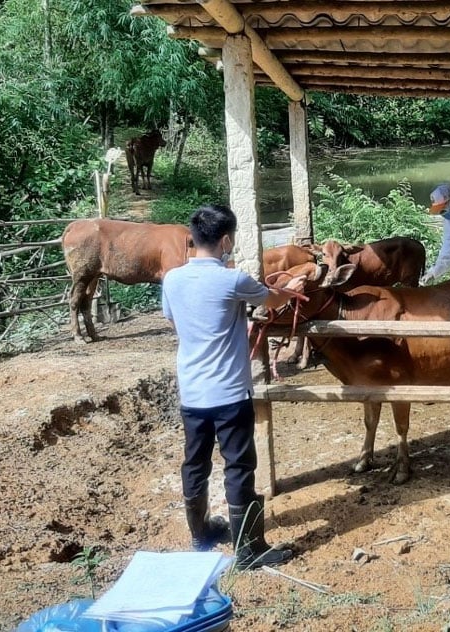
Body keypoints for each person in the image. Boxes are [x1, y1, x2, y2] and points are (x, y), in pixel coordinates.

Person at [161, 203, 305, 569]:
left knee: (195, 463)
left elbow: (176, 324)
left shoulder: (172, 280)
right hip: (229, 393)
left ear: (193, 239)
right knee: (239, 465)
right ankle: (249, 549)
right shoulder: (233, 279)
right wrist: (289, 289)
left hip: (192, 393)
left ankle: (201, 533)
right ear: (226, 240)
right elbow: (272, 299)